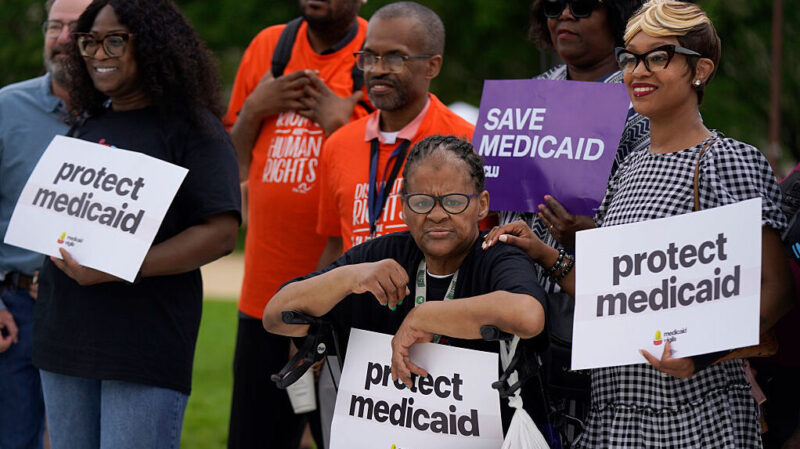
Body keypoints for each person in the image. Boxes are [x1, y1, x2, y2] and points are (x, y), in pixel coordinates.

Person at [485, 1, 794, 447]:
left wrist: (700, 356)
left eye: (659, 57)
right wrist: (542, 250)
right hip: (614, 410)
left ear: (700, 70)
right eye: (631, 58)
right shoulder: (627, 167)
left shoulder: (728, 159)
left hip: (695, 414)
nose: (638, 71)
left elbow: (777, 291)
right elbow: (614, 294)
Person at [31, 0, 241, 447]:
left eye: (113, 40)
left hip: (142, 345)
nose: (97, 53)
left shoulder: (192, 128)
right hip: (65, 337)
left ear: (154, 45)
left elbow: (221, 231)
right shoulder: (87, 124)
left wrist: (126, 264)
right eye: (88, 42)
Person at [265, 135, 546, 428]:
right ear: (402, 207)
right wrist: (348, 277)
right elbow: (276, 316)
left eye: (453, 201)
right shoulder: (379, 257)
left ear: (482, 205)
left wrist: (424, 316)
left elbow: (528, 316)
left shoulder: (496, 256)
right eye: (422, 202)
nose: (437, 215)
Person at [222, 0, 370, 447]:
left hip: (344, 298)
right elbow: (232, 168)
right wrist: (253, 110)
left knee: (343, 437)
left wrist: (340, 124)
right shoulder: (271, 47)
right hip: (263, 299)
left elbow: (385, 173)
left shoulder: (377, 50)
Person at [316, 1, 475, 268]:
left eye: (394, 58)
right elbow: (336, 244)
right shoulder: (338, 144)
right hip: (357, 307)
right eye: (369, 57)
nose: (377, 70)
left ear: (432, 67)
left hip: (433, 307)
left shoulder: (467, 142)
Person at [0, 0, 91, 448]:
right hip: (15, 311)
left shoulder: (129, 116)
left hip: (99, 310)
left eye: (75, 27)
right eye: (54, 26)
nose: (60, 38)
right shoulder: (5, 109)